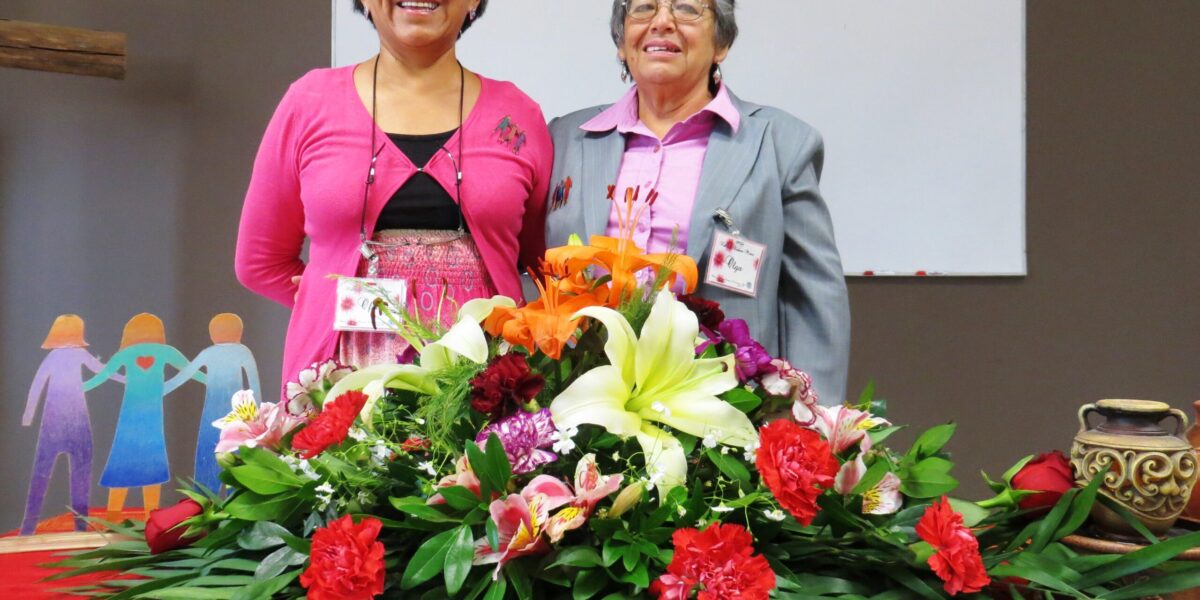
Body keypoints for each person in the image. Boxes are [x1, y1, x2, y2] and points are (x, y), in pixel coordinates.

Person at [236, 0, 552, 398]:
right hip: (337, 393)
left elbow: (539, 264)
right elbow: (260, 262)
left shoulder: (518, 116)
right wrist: (324, 298)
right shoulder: (309, 102)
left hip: (482, 390)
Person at [545, 0, 850, 404]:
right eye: (643, 9)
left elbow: (814, 299)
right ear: (622, 42)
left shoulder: (781, 143)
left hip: (727, 412)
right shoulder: (565, 138)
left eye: (686, 9)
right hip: (582, 404)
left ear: (721, 43)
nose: (662, 22)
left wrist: (815, 419)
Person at [83, 313, 195, 518]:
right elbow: (191, 371)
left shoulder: (127, 353)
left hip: (130, 414)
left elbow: (102, 376)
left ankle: (113, 514)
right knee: (152, 462)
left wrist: (78, 387)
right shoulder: (165, 352)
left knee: (122, 460)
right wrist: (169, 386)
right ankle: (150, 516)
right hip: (151, 416)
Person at [20, 315, 116, 534]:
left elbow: (37, 385)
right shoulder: (71, 355)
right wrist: (124, 377)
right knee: (77, 476)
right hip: (71, 425)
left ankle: (31, 527)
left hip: (59, 425)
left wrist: (28, 414)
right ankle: (73, 527)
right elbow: (104, 370)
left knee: (42, 474)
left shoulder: (55, 357)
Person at [164, 313, 261, 492]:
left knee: (209, 453)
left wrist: (161, 390)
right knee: (237, 452)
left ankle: (205, 497)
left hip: (214, 413)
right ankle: (237, 497)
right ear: (239, 332)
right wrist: (259, 413)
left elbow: (185, 375)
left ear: (212, 333)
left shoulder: (209, 353)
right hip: (239, 414)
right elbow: (254, 384)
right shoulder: (243, 351)